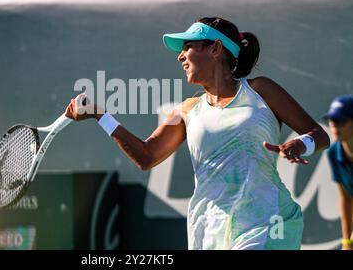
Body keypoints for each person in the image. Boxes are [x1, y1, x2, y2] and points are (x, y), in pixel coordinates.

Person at [65, 17, 330, 250]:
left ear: (215, 48)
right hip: (209, 228)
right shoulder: (187, 110)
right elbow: (146, 156)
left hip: (267, 221)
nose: (180, 56)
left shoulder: (260, 90)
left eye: (188, 47)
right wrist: (101, 116)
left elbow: (319, 134)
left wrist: (300, 143)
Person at [325, 94, 353, 250]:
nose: (334, 125)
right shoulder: (334, 153)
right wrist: (347, 241)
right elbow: (346, 198)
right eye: (331, 120)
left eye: (341, 121)